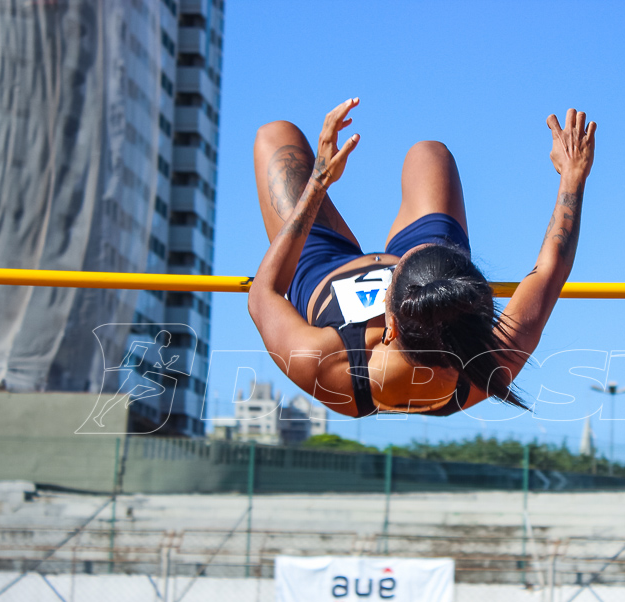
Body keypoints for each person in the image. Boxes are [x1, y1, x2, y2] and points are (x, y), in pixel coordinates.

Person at [248, 99, 596, 417]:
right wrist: (572, 175)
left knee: (274, 134)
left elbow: (264, 294)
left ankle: (419, 262)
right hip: (434, 276)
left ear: (391, 324)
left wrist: (319, 182)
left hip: (323, 271)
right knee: (429, 154)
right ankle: (430, 259)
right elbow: (551, 268)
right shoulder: (486, 364)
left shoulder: (328, 366)